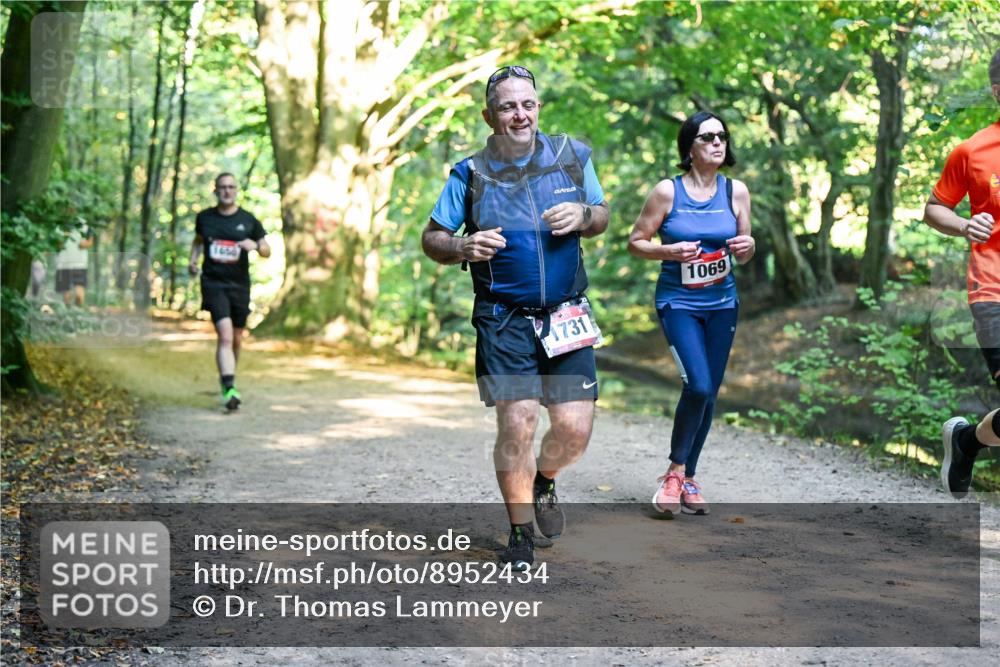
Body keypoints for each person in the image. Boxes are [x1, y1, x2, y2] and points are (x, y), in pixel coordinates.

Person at [421, 65, 610, 570]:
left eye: (527, 104)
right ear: (490, 117)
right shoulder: (470, 174)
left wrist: (584, 216)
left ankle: (544, 480)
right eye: (508, 106)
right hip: (503, 317)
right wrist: (462, 245)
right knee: (518, 422)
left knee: (573, 431)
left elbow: (601, 214)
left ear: (538, 107)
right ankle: (520, 531)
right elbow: (432, 238)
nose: (520, 114)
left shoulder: (571, 156)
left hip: (566, 314)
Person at [627, 111, 754, 516]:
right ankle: (674, 472)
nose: (717, 142)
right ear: (689, 147)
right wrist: (668, 251)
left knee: (710, 392)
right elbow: (635, 242)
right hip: (678, 303)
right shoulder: (667, 192)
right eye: (707, 137)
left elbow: (744, 250)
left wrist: (747, 247)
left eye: (722, 136)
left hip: (723, 304)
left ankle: (688, 477)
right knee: (697, 386)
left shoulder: (736, 192)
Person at [925, 47, 1000, 496]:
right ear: (998, 91)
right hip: (993, 290)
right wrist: (965, 225)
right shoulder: (973, 151)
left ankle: (967, 441)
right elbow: (934, 209)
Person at [188, 173, 270, 411]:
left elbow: (267, 250)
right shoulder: (205, 218)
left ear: (236, 190)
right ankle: (230, 387)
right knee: (224, 335)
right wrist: (192, 261)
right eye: (222, 187)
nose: (227, 191)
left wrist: (256, 246)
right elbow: (198, 241)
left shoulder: (248, 220)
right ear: (215, 190)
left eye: (231, 187)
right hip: (213, 284)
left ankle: (228, 376)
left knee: (236, 338)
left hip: (239, 286)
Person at [54, 227, 92, 306]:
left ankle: (78, 310)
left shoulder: (85, 226)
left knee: (79, 295)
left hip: (80, 264)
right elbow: (54, 243)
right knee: (66, 295)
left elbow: (90, 242)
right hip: (63, 264)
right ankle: (68, 311)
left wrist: (82, 244)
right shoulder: (58, 225)